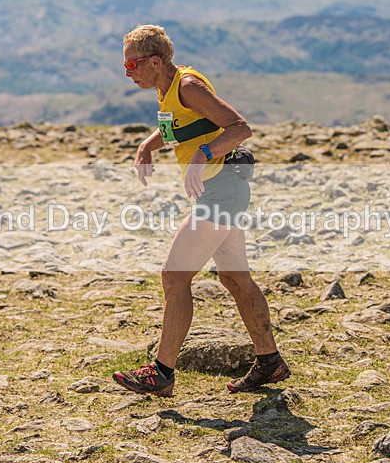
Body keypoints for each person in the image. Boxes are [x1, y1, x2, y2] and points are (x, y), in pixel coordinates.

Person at [112, 25, 290, 397]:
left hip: (223, 190)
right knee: (235, 280)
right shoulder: (167, 88)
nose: (127, 71)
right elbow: (183, 128)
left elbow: (240, 128)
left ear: (156, 61)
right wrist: (148, 145)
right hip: (221, 190)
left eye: (132, 64)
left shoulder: (188, 86)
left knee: (174, 277)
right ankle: (269, 362)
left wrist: (203, 155)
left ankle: (161, 372)